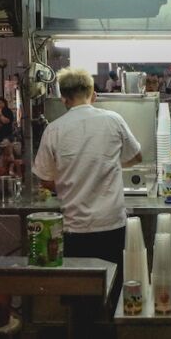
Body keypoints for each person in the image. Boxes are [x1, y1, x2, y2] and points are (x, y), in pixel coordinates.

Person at [33, 67, 141, 271]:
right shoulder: (113, 119)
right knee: (113, 287)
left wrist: (69, 182)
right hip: (111, 224)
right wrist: (106, 164)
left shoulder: (53, 129)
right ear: (94, 95)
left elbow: (45, 179)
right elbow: (136, 157)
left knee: (80, 288)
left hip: (74, 228)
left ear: (63, 99)